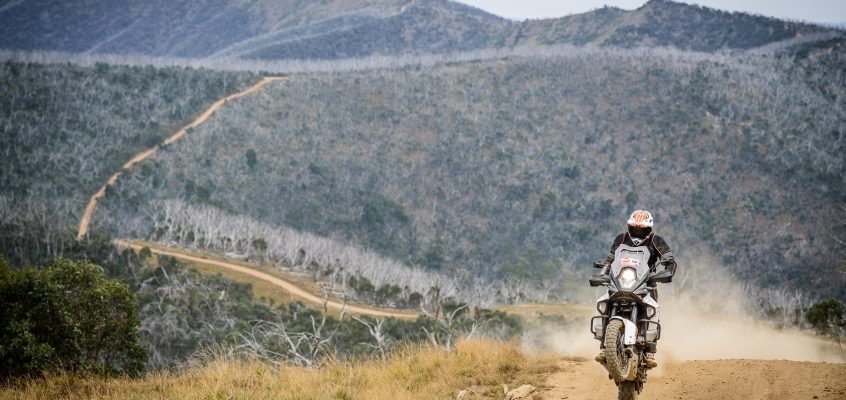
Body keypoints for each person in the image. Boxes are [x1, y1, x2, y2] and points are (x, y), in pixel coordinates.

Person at [595, 210, 677, 368]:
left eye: (642, 229)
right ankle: (605, 347)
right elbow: (610, 260)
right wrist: (602, 273)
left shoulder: (656, 240)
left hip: (647, 283)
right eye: (634, 228)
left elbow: (670, 261)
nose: (638, 232)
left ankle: (651, 350)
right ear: (629, 226)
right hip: (620, 280)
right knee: (604, 301)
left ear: (649, 228)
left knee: (653, 309)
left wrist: (667, 272)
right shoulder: (621, 238)